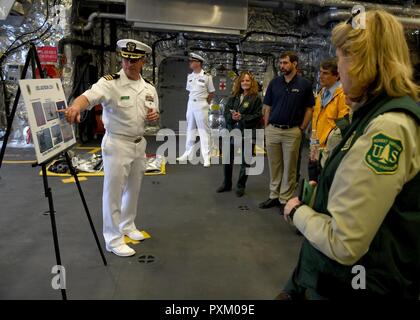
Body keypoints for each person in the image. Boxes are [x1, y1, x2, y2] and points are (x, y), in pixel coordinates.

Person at [280, 10, 420, 299]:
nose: (338, 69)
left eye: (342, 57)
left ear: (362, 62)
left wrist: (297, 211)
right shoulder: (369, 115)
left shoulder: (387, 128)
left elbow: (344, 244)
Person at [62, 39, 159, 257]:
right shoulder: (110, 83)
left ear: (143, 61)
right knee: (113, 193)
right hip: (117, 143)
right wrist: (76, 107)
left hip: (138, 143)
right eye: (125, 59)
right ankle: (113, 239)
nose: (128, 64)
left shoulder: (149, 88)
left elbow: (153, 114)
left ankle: (127, 225)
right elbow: (88, 96)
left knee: (133, 189)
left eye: (134, 60)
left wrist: (154, 116)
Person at [259, 51, 315, 213]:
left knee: (290, 167)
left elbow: (309, 109)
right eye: (281, 63)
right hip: (273, 131)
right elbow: (267, 107)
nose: (281, 66)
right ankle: (274, 195)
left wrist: (302, 128)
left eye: (285, 63)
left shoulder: (304, 85)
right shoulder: (275, 83)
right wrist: (267, 127)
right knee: (274, 165)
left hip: (292, 132)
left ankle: (285, 199)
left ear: (295, 64)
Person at [216, 71, 263, 197]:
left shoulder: (256, 98)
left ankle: (241, 185)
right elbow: (226, 113)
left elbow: (258, 116)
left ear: (251, 82)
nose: (245, 83)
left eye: (247, 80)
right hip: (232, 131)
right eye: (242, 81)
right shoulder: (234, 96)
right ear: (239, 83)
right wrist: (232, 117)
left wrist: (242, 117)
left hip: (247, 132)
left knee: (245, 161)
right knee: (227, 159)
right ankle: (226, 184)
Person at [308, 58, 350, 184]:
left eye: (325, 73)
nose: (321, 76)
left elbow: (344, 123)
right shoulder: (321, 92)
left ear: (337, 76)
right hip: (315, 145)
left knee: (326, 182)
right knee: (313, 180)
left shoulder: (342, 95)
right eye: (320, 72)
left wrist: (331, 144)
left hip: (329, 149)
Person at [177, 53, 215, 167]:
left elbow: (211, 93)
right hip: (191, 104)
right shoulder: (190, 76)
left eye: (192, 61)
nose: (190, 63)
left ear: (198, 63)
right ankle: (188, 153)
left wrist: (205, 103)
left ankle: (206, 156)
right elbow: (190, 91)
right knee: (190, 129)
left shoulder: (207, 77)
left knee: (204, 131)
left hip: (201, 104)